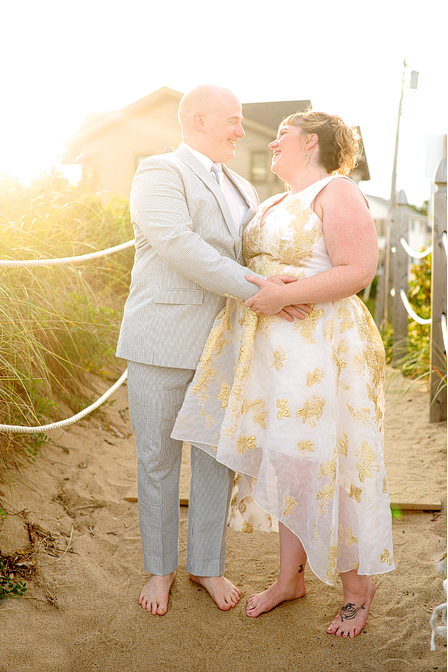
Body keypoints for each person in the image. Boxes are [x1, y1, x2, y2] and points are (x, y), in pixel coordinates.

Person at [172, 109, 394, 638]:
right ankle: (289, 579)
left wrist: (286, 295)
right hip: (272, 353)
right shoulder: (271, 201)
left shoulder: (337, 192)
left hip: (324, 350)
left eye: (282, 137)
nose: (271, 144)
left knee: (336, 460)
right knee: (292, 461)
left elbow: (358, 271)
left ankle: (356, 593)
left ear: (311, 143)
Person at [118, 84, 306, 616]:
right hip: (160, 341)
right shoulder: (159, 172)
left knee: (214, 461)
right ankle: (160, 571)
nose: (242, 131)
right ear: (197, 120)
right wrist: (259, 290)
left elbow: (251, 251)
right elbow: (179, 245)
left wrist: (284, 281)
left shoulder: (244, 186)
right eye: (234, 120)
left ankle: (207, 565)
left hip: (225, 347)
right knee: (156, 460)